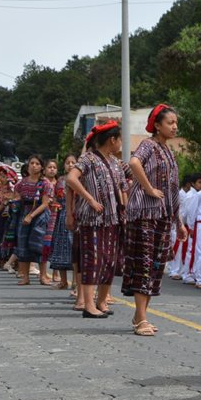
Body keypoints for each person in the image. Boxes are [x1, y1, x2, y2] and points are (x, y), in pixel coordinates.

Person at [122, 104, 188, 336]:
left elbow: (171, 190)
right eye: (170, 122)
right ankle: (141, 319)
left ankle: (140, 316)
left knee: (156, 266)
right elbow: (133, 163)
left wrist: (178, 223)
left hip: (162, 216)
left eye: (175, 122)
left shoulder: (168, 151)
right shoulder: (148, 145)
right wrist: (149, 188)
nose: (174, 126)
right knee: (145, 264)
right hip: (144, 215)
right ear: (157, 126)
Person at [65, 121, 126, 319]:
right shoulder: (88, 159)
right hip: (92, 219)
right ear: (112, 139)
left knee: (109, 261)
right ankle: (89, 304)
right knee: (93, 259)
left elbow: (123, 188)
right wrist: (90, 198)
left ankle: (101, 300)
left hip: (113, 218)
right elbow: (71, 179)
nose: (120, 144)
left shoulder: (116, 163)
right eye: (120, 139)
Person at [13, 155, 53, 286]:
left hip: (39, 215)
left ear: (41, 167)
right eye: (32, 163)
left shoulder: (45, 183)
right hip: (24, 213)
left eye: (37, 163)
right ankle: (25, 276)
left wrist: (31, 216)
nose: (34, 166)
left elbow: (45, 203)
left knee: (39, 245)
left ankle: (43, 276)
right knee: (23, 244)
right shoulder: (21, 183)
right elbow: (18, 198)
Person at [47, 155, 77, 291]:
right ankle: (64, 281)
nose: (70, 165)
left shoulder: (79, 179)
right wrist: (54, 204)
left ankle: (76, 282)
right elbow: (55, 198)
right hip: (61, 217)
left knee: (75, 251)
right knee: (60, 249)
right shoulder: (60, 180)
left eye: (73, 162)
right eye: (67, 163)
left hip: (76, 216)